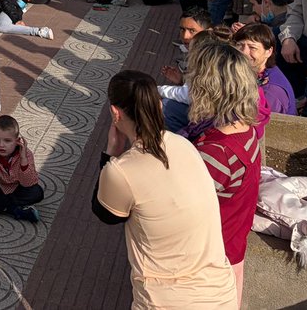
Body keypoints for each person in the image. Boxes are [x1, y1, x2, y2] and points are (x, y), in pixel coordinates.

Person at [94, 69, 238, 308]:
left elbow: (105, 213)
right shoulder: (184, 145)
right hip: (221, 295)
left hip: (165, 302)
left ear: (115, 113)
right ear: (160, 106)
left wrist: (110, 153)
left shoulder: (120, 171)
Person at [187, 42, 264, 306]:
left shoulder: (216, 153)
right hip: (232, 249)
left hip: (209, 264)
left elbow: (181, 209)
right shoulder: (247, 131)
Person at [0, 114, 44, 222]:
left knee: (37, 192)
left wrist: (24, 160)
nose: (1, 145)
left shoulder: (25, 153)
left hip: (16, 188)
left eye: (7, 141)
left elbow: (29, 183)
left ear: (17, 141)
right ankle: (15, 210)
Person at [233, 23, 296, 116]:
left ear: (268, 51)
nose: (244, 52)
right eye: (240, 45)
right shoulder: (251, 72)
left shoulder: (271, 92)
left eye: (252, 48)